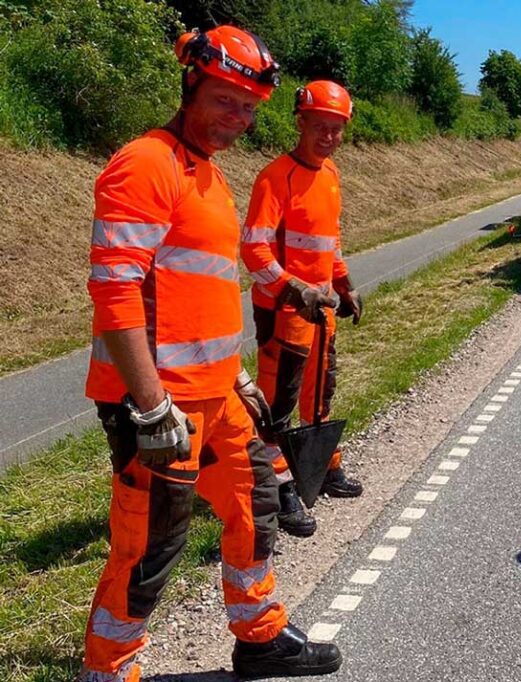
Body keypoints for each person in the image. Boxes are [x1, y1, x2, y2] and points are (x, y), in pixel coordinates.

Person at [81, 26, 341, 679]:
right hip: (157, 404)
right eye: (227, 101)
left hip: (217, 394)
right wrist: (149, 406)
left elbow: (203, 291)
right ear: (191, 86)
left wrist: (240, 374)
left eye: (251, 108)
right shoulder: (146, 164)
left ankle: (259, 637)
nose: (241, 119)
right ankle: (108, 666)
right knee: (150, 544)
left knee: (256, 505)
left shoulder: (213, 177)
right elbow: (116, 292)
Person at [241, 79, 363, 538]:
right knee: (278, 405)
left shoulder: (330, 176)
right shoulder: (275, 178)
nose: (328, 137)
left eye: (336, 129)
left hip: (321, 309)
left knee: (321, 392)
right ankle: (282, 486)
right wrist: (296, 291)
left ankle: (324, 467)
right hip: (284, 311)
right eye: (320, 127)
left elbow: (328, 243)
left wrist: (343, 283)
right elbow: (253, 251)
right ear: (300, 123)